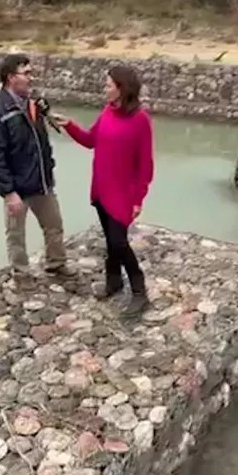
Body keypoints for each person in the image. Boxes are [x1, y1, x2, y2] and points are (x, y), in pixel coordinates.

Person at [50, 65, 154, 316]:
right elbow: (90, 140)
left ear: (121, 88)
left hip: (123, 194)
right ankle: (114, 282)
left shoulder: (140, 120)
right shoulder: (108, 111)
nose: (104, 88)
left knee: (119, 242)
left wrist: (138, 199)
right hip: (101, 189)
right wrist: (70, 125)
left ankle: (140, 291)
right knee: (110, 240)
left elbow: (146, 165)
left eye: (108, 85)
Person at [0, 53, 73, 279]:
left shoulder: (34, 104)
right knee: (16, 235)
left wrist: (47, 114)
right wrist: (9, 192)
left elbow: (40, 141)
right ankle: (21, 274)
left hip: (41, 181)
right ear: (11, 78)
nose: (31, 78)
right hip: (17, 187)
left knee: (54, 227)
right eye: (27, 74)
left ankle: (56, 264)